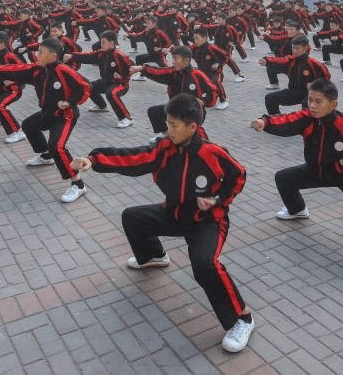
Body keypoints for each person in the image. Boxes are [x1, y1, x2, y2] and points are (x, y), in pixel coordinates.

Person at [72, 94, 255, 353]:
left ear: (193, 127)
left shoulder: (212, 153)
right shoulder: (164, 148)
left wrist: (217, 199)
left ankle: (242, 318)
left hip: (207, 222)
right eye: (167, 123)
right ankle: (153, 256)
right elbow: (134, 158)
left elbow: (239, 176)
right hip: (175, 213)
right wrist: (95, 160)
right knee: (133, 217)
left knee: (205, 264)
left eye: (174, 125)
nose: (168, 130)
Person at [250, 78, 343, 269]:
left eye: (318, 102)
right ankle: (297, 210)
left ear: (333, 104)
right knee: (284, 178)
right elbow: (287, 120)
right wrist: (265, 122)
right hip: (317, 171)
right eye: (310, 100)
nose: (312, 106)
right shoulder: (307, 119)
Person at [0, 38, 91, 203]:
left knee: (57, 147)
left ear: (52, 56)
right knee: (28, 125)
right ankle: (46, 156)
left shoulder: (64, 70)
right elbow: (17, 69)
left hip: (65, 116)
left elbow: (86, 86)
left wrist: (70, 102)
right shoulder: (38, 69)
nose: (36, 55)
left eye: (40, 52)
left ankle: (78, 185)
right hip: (47, 113)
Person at [68, 30, 135, 128]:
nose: (101, 44)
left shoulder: (119, 55)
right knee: (89, 86)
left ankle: (127, 118)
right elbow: (88, 56)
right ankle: (101, 106)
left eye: (103, 42)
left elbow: (133, 67)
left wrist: (122, 75)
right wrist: (72, 56)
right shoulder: (101, 53)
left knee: (111, 93)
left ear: (112, 43)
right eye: (100, 42)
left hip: (121, 84)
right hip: (106, 81)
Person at [259, 35, 331, 115]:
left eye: (297, 48)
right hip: (294, 93)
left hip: (310, 94)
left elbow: (326, 78)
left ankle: (311, 124)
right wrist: (267, 61)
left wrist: (315, 86)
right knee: (270, 98)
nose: (294, 50)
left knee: (306, 103)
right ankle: (277, 122)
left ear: (306, 48)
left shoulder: (314, 63)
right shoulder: (291, 60)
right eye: (293, 48)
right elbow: (280, 60)